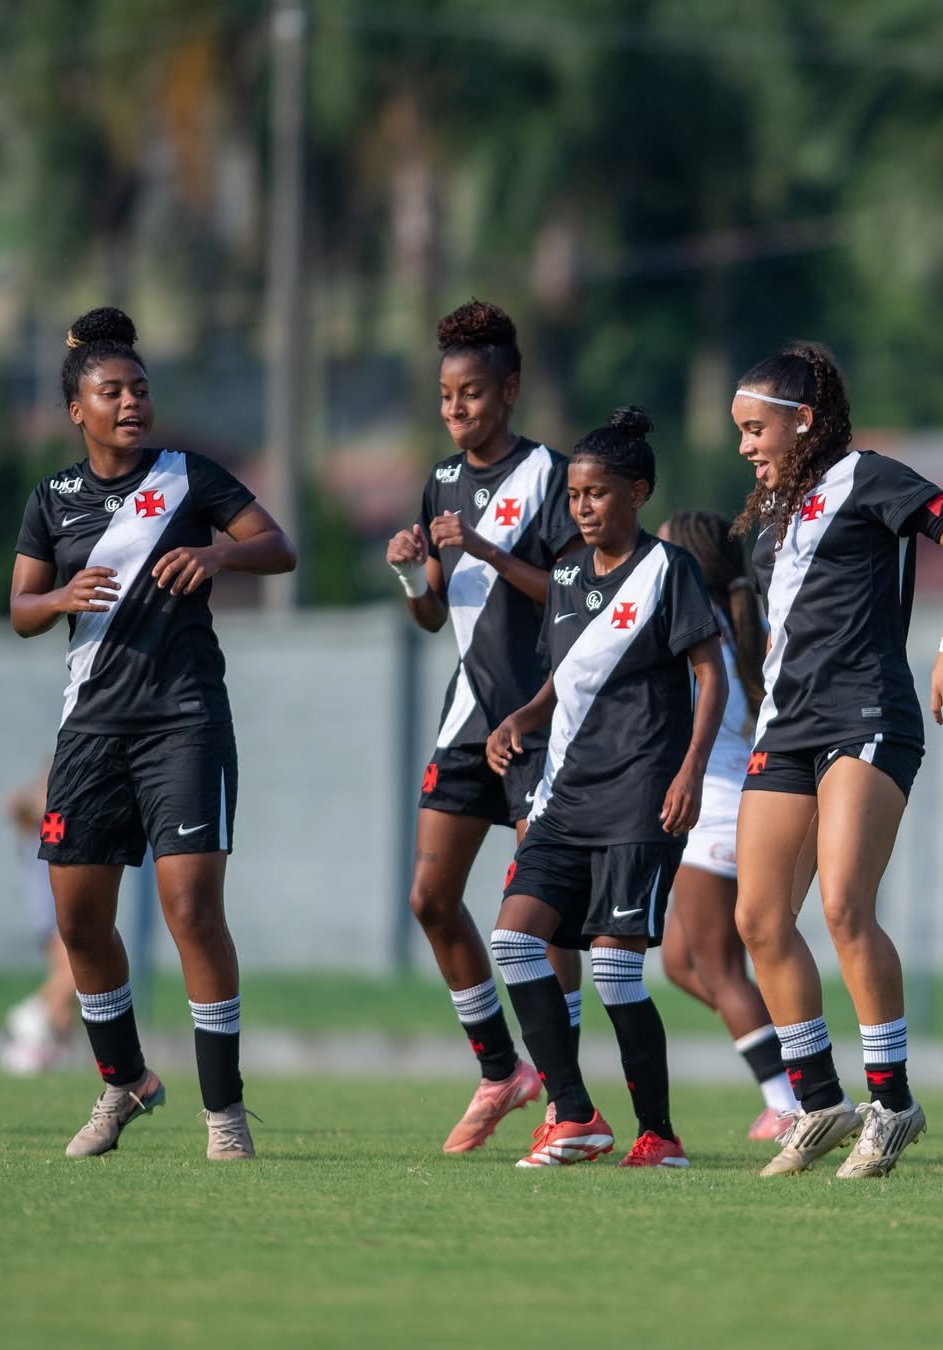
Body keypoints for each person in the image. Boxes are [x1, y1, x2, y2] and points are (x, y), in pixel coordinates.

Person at [10, 306, 296, 1160]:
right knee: (78, 922)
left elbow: (277, 546)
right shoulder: (52, 499)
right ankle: (125, 1081)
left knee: (192, 911)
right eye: (112, 391)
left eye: (140, 388)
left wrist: (218, 556)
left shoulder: (189, 477)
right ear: (78, 409)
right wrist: (59, 598)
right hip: (91, 730)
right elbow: (21, 609)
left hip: (185, 722)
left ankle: (224, 1114)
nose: (131, 401)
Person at [730, 341, 943, 1178]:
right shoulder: (775, 518)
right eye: (739, 432)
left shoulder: (868, 477)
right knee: (758, 920)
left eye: (755, 429)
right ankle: (818, 1102)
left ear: (803, 421)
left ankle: (893, 1103)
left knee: (844, 904)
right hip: (786, 728)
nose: (745, 446)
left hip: (866, 714)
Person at [486, 407, 727, 1168]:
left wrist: (691, 769)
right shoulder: (563, 576)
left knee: (616, 971)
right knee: (514, 941)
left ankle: (659, 1135)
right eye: (574, 495)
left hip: (641, 798)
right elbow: (564, 675)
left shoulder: (668, 571)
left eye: (596, 493)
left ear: (637, 493)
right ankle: (575, 1115)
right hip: (565, 798)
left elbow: (711, 674)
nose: (582, 507)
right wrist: (521, 716)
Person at [386, 300, 584, 1154]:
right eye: (444, 396)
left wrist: (491, 551)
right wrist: (410, 575)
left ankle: (567, 1099)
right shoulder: (439, 481)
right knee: (430, 898)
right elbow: (434, 613)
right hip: (468, 718)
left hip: (543, 720)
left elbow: (581, 596)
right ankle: (502, 1070)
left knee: (546, 919)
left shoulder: (554, 476)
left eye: (469, 393)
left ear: (509, 389)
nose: (455, 408)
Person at [657, 510, 799, 1140]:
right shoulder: (750, 623)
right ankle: (799, 1068)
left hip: (712, 810)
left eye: (664, 550)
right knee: (680, 962)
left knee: (721, 969)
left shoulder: (693, 626)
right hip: (744, 805)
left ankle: (791, 1100)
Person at [0, 760, 78, 1075]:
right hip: (52, 913)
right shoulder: (40, 824)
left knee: (69, 987)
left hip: (62, 911)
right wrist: (38, 791)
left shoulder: (54, 820)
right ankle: (31, 1011)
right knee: (73, 976)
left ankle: (47, 1051)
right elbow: (13, 806)